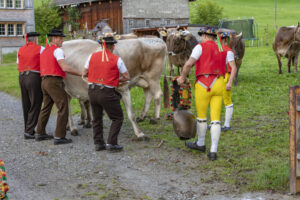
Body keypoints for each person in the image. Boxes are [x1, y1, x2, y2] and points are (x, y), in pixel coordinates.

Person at [177, 26, 237, 161]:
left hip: (203, 84)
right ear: (214, 37)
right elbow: (232, 66)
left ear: (204, 36)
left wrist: (182, 77)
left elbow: (187, 65)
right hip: (219, 83)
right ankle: (213, 151)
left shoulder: (200, 47)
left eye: (201, 36)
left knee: (202, 117)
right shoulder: (223, 49)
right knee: (215, 118)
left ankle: (201, 143)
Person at [83, 34, 130, 152]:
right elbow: (126, 76)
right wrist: (115, 80)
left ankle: (98, 144)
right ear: (112, 47)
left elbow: (84, 73)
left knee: (97, 118)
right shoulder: (116, 59)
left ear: (102, 46)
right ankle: (111, 143)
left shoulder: (91, 56)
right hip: (107, 92)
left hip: (92, 91)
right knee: (117, 117)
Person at [36, 29, 82, 145]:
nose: (62, 40)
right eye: (61, 38)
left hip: (44, 81)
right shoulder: (57, 51)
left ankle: (40, 133)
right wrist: (81, 73)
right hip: (54, 81)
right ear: (54, 38)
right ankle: (59, 136)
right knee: (63, 106)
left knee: (46, 107)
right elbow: (65, 67)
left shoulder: (44, 51)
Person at [17, 32, 44, 139]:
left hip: (22, 76)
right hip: (34, 76)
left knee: (26, 103)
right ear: (35, 40)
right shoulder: (40, 48)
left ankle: (28, 128)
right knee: (36, 103)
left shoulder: (20, 49)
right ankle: (29, 131)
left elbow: (17, 64)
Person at [219, 31, 237, 132]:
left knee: (227, 100)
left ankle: (227, 124)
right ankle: (215, 122)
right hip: (217, 78)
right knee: (215, 99)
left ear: (224, 40)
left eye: (219, 40)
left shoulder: (228, 52)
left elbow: (233, 68)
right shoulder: (217, 50)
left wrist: (230, 82)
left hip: (225, 77)